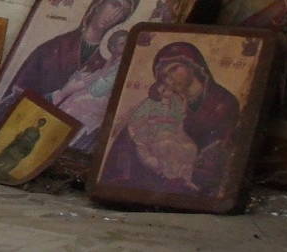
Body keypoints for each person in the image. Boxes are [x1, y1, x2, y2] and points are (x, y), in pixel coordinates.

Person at [0, 0, 141, 139]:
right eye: (115, 5)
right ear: (99, 3)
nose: (115, 16)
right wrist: (63, 93)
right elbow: (10, 104)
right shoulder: (53, 49)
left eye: (123, 13)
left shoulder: (108, 63)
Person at [100, 42, 240, 195]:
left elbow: (221, 150)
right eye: (164, 76)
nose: (169, 78)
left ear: (194, 65)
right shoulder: (165, 102)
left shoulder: (222, 102)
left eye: (174, 69)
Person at [49, 29, 129, 151]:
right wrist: (83, 78)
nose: (127, 45)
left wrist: (89, 83)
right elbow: (95, 80)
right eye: (122, 44)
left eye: (128, 42)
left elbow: (97, 90)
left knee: (72, 126)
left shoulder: (122, 65)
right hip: (86, 102)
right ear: (112, 48)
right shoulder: (112, 63)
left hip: (96, 106)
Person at [123, 81, 201, 191]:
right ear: (158, 93)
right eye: (164, 90)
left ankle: (186, 179)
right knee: (168, 145)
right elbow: (135, 121)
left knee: (191, 148)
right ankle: (171, 178)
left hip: (174, 133)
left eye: (169, 88)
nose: (169, 91)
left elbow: (180, 117)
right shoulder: (149, 103)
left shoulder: (175, 101)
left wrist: (184, 102)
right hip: (155, 134)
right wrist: (151, 122)